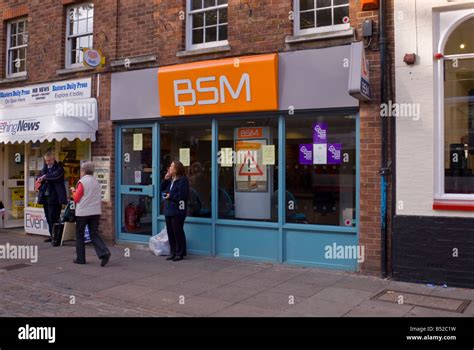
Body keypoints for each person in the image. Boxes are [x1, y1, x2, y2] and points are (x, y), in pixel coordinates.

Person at [70, 161, 111, 266]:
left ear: (83, 171)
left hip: (83, 213)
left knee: (79, 235)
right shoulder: (96, 182)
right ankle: (104, 252)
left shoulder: (82, 182)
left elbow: (76, 198)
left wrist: (73, 191)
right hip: (95, 212)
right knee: (94, 234)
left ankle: (81, 258)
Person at [161, 160, 189, 261]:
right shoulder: (171, 179)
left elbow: (183, 195)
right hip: (168, 209)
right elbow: (162, 188)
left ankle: (180, 253)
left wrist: (170, 196)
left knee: (178, 231)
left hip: (178, 210)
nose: (169, 168)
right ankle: (172, 252)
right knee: (170, 232)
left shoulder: (183, 180)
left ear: (177, 169)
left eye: (172, 166)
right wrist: (165, 179)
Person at [37, 152, 68, 243]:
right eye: (46, 161)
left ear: (54, 159)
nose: (47, 162)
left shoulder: (59, 168)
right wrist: (39, 178)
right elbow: (39, 176)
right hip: (45, 197)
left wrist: (45, 177)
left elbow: (56, 176)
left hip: (55, 198)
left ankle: (57, 238)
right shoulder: (45, 168)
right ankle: (52, 235)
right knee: (48, 217)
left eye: (49, 160)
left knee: (53, 217)